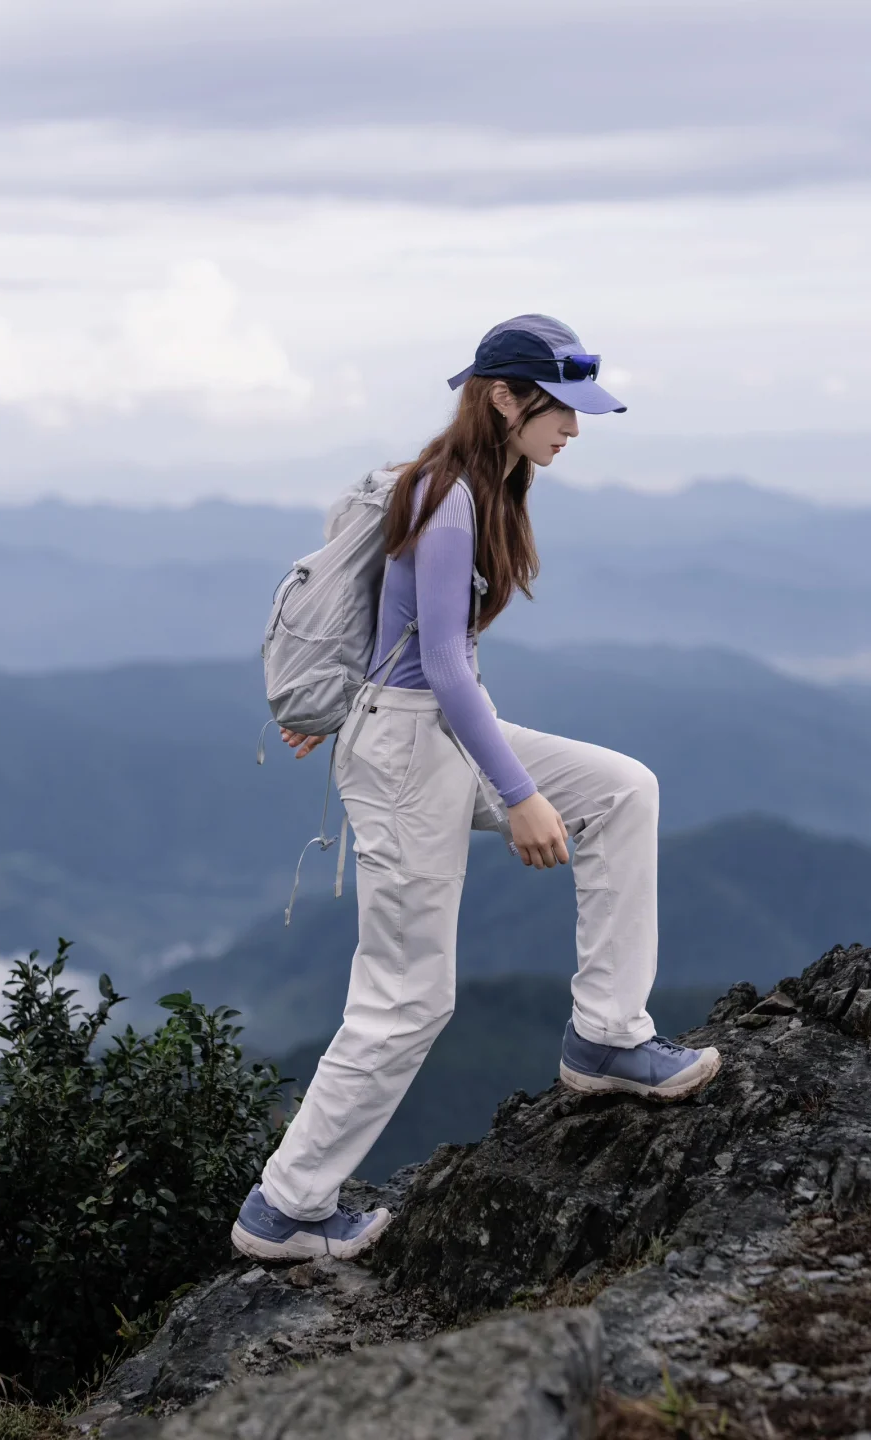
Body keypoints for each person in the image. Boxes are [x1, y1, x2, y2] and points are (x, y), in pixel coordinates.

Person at [231, 314, 721, 1263]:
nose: (575, 428)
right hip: (418, 752)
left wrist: (350, 701)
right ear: (504, 396)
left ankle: (607, 1038)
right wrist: (521, 794)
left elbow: (407, 636)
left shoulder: (479, 484)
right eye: (563, 410)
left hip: (431, 733)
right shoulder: (449, 495)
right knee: (408, 998)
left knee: (623, 791)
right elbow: (446, 665)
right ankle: (285, 1210)